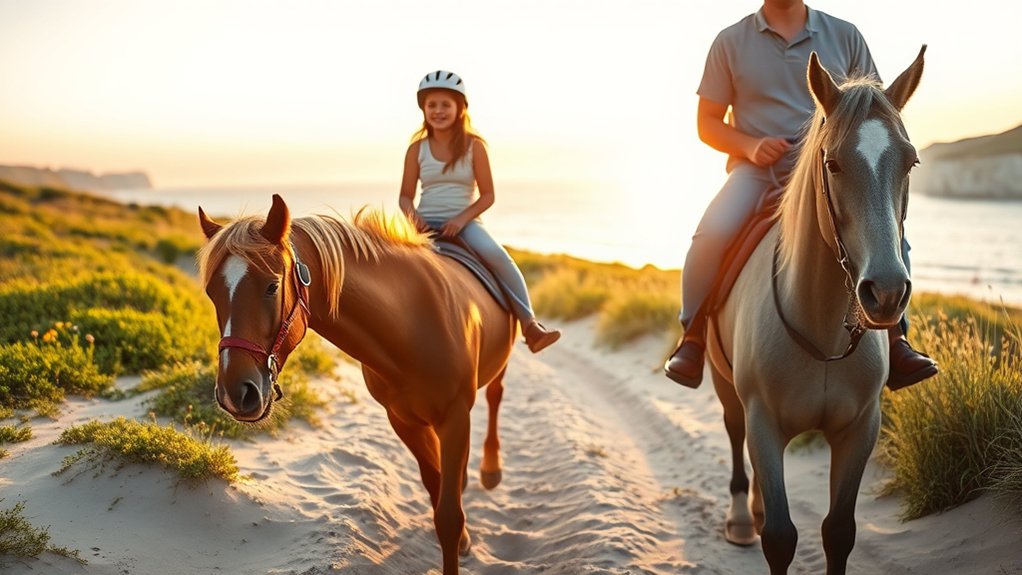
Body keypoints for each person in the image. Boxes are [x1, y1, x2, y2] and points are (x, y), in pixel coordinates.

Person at [664, 0, 938, 389]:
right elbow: (707, 125)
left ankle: (896, 342)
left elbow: (879, 110)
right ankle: (692, 338)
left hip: (835, 171)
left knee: (890, 235)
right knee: (712, 232)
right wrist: (751, 146)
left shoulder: (845, 35)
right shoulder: (730, 41)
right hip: (758, 172)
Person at [399, 70, 561, 353]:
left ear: (460, 108)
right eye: (432, 105)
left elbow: (488, 195)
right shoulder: (416, 149)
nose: (438, 111)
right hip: (423, 224)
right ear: (423, 109)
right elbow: (404, 197)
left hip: (465, 223)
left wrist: (461, 220)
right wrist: (416, 220)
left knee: (498, 257)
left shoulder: (475, 146)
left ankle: (530, 326)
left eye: (445, 105)